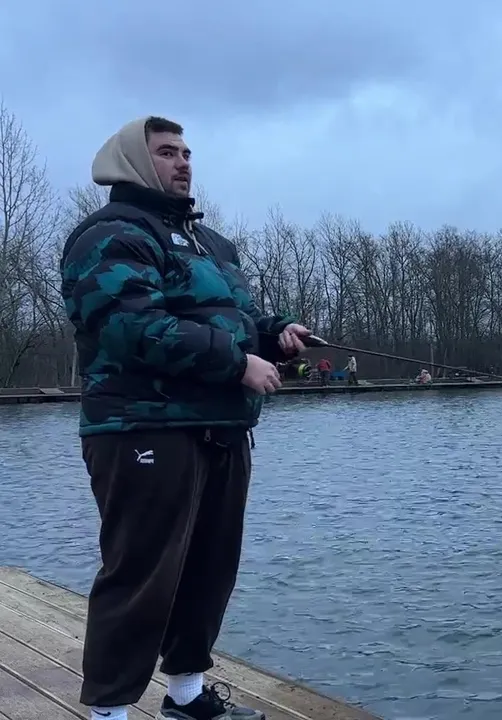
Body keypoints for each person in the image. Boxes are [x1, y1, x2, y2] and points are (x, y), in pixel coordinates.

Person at [59, 116, 313, 720]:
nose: (183, 163)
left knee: (209, 570)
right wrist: (238, 363)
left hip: (221, 429)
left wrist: (276, 335)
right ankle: (109, 711)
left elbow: (237, 318)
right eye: (167, 152)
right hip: (142, 428)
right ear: (133, 161)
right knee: (141, 574)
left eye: (187, 152)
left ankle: (186, 695)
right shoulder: (110, 234)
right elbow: (130, 326)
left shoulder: (210, 243)